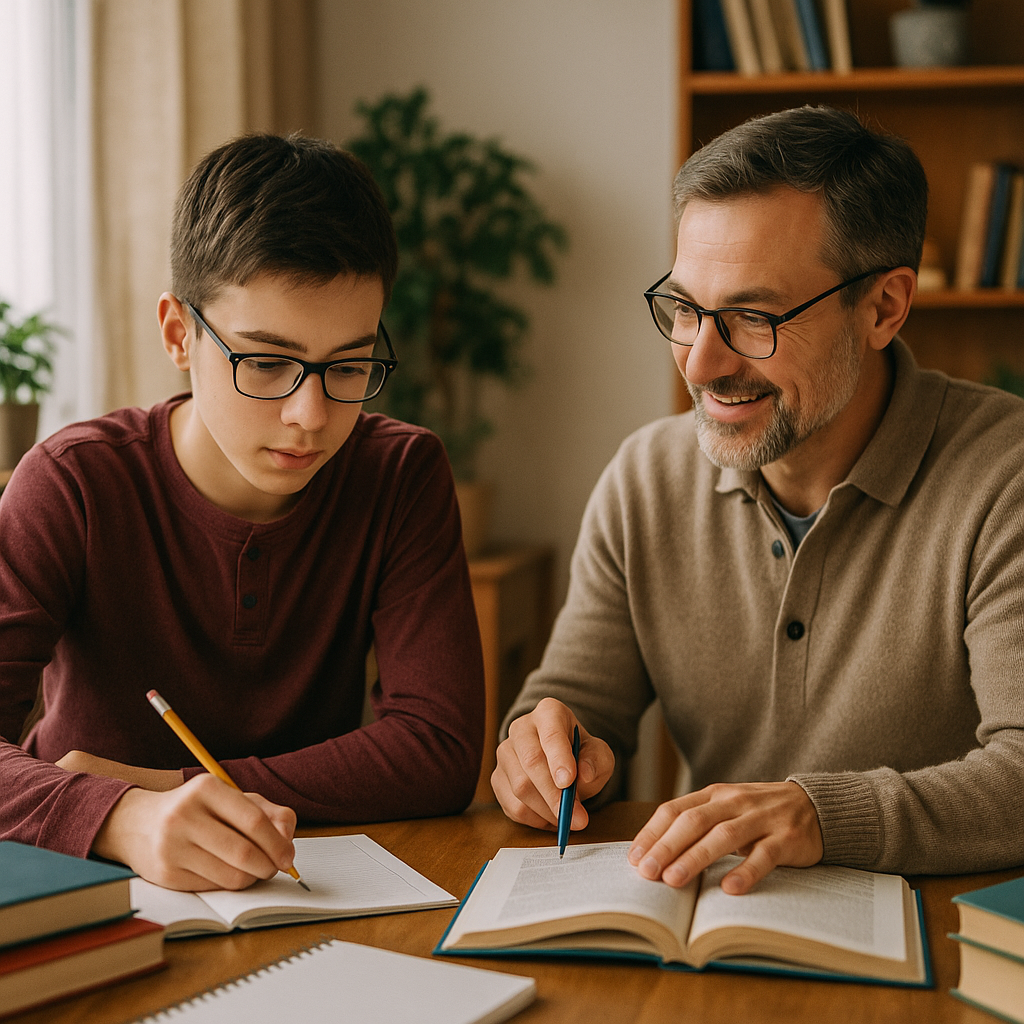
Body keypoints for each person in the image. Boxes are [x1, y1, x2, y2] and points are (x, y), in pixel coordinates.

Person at [492, 105, 1024, 895]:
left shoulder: (1005, 476)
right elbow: (576, 703)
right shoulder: (645, 478)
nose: (700, 362)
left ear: (883, 308)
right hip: (713, 928)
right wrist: (543, 752)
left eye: (752, 316)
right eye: (684, 308)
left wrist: (823, 815)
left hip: (945, 943)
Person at [0, 134, 485, 891]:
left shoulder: (400, 473)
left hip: (308, 890)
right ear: (178, 335)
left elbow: (438, 749)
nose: (311, 415)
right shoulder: (73, 484)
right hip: (90, 891)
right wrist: (119, 818)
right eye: (265, 362)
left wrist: (172, 787)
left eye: (350, 366)